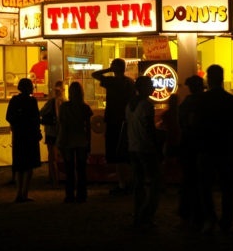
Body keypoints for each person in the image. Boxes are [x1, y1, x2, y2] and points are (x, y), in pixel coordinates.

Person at [195, 64, 233, 235]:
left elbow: (194, 125)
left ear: (208, 79)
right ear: (222, 78)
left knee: (205, 187)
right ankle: (226, 221)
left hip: (206, 148)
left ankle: (210, 218)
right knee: (227, 188)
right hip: (226, 148)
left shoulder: (201, 100)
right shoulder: (232, 101)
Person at [91, 58, 135, 195]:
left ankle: (122, 183)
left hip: (113, 121)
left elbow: (95, 74)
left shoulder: (112, 82)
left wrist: (109, 70)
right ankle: (129, 182)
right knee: (126, 153)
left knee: (117, 154)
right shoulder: (129, 82)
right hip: (126, 120)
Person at [125, 75, 162, 230]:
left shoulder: (129, 105)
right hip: (145, 148)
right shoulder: (146, 106)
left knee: (139, 184)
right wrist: (158, 145)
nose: (153, 87)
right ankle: (146, 215)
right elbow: (149, 129)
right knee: (155, 184)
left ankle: (137, 215)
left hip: (133, 147)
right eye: (150, 85)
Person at [176, 75, 206, 230]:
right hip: (202, 145)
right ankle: (200, 214)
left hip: (188, 145)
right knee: (201, 182)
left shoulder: (187, 103)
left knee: (188, 181)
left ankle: (186, 214)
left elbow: (182, 123)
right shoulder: (206, 102)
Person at [5, 77, 42, 203]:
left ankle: (18, 193)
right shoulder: (32, 101)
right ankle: (24, 193)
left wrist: (16, 124)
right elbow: (36, 119)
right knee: (29, 166)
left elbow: (8, 116)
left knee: (19, 165)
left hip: (19, 135)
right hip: (30, 135)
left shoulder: (14, 100)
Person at [56, 81, 93, 203]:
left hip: (68, 140)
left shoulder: (64, 107)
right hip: (81, 140)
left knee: (69, 169)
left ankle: (69, 194)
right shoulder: (85, 108)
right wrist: (89, 143)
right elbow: (88, 127)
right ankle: (82, 194)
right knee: (81, 169)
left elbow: (61, 123)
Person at [40, 80, 64, 187]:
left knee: (52, 155)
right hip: (60, 131)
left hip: (51, 130)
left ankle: (53, 178)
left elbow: (41, 112)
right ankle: (57, 178)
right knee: (57, 155)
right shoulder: (65, 101)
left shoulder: (51, 102)